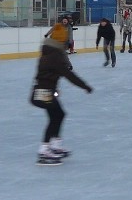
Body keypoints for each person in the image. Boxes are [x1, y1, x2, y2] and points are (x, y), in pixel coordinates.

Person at [30, 23, 93, 165]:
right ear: (61, 41)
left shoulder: (48, 51)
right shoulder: (55, 55)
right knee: (55, 117)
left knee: (58, 115)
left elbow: (50, 73)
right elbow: (68, 75)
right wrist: (85, 86)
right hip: (44, 92)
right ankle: (44, 150)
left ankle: (54, 145)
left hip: (43, 91)